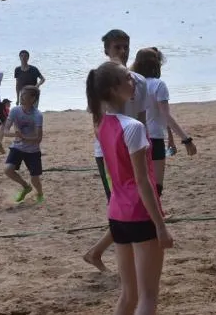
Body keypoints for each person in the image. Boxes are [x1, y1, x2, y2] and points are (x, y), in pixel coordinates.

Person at [86, 61, 173, 315]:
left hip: (117, 213)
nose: (133, 80)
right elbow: (143, 182)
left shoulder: (101, 123)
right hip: (138, 212)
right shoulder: (133, 127)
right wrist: (160, 225)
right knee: (148, 297)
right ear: (114, 89)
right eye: (127, 78)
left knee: (128, 295)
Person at [84, 29, 148, 272]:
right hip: (110, 151)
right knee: (122, 205)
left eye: (125, 46)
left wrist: (147, 147)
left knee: (135, 204)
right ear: (106, 50)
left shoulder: (137, 81)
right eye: (117, 47)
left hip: (135, 146)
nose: (122, 51)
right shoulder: (100, 81)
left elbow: (142, 117)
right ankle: (102, 254)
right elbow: (97, 122)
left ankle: (97, 252)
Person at [131, 47, 197, 196]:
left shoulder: (132, 83)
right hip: (154, 138)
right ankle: (153, 217)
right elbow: (166, 116)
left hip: (134, 137)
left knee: (140, 182)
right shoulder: (158, 85)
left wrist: (171, 138)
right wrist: (186, 139)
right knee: (156, 186)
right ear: (156, 64)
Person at [2, 85, 44, 204]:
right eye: (21, 94)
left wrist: (23, 137)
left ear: (33, 99)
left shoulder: (37, 115)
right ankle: (26, 187)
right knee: (7, 170)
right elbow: (5, 131)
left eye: (24, 94)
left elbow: (38, 138)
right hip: (17, 147)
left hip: (33, 151)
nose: (21, 96)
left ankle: (40, 194)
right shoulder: (15, 110)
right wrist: (15, 135)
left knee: (35, 178)